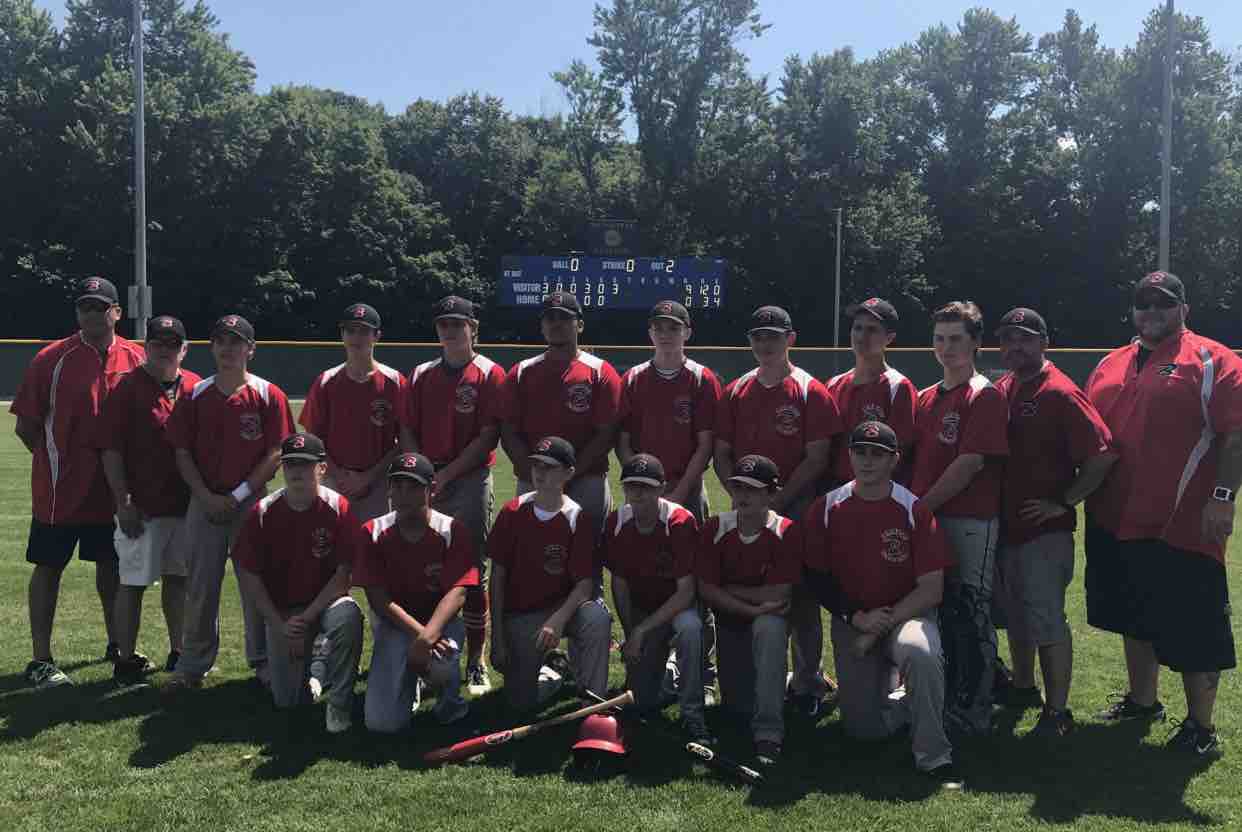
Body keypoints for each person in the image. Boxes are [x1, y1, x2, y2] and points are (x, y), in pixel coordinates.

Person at [1084, 271, 1242, 755]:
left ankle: (1201, 728)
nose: (1152, 311)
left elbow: (1236, 435)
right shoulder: (1110, 363)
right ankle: (1142, 701)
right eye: (1144, 303)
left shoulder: (1213, 359)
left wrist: (1222, 496)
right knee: (1134, 615)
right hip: (1115, 516)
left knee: (1195, 623)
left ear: (1184, 309)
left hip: (1183, 520)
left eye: (1164, 303)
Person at [802, 422, 959, 788]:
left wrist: (877, 628)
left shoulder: (913, 509)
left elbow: (931, 589)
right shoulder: (826, 507)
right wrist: (857, 618)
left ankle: (934, 756)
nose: (868, 461)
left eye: (878, 454)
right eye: (861, 452)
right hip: (854, 620)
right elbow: (817, 579)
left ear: (894, 460)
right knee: (864, 730)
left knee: (920, 652)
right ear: (849, 456)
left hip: (907, 615)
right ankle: (906, 697)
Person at [11, 276, 145, 687]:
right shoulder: (51, 359)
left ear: (116, 312)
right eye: (84, 306)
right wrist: (55, 461)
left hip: (114, 488)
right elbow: (26, 426)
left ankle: (117, 644)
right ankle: (41, 659)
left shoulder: (136, 358)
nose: (91, 313)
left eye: (99, 306)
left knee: (112, 565)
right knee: (49, 566)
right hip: (60, 489)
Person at [993, 307, 1117, 738]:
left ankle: (1057, 711)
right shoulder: (1006, 386)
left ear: (1044, 342)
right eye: (1008, 338)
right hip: (1008, 526)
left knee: (1045, 619)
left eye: (1025, 338)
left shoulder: (1059, 391)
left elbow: (1103, 455)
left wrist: (1063, 502)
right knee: (1017, 615)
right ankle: (1023, 687)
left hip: (1044, 533)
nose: (1015, 346)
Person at [714, 306, 842, 717]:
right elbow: (721, 452)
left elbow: (817, 457)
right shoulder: (736, 390)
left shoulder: (809, 390)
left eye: (773, 335)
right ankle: (751, 680)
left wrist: (777, 501)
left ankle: (806, 683)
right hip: (747, 508)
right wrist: (740, 495)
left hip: (796, 506)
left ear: (791, 339)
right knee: (746, 587)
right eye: (758, 336)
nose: (765, 343)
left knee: (801, 598)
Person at [164, 314, 295, 692]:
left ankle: (263, 661)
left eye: (236, 342)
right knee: (201, 586)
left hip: (250, 502)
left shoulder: (268, 394)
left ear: (250, 349)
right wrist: (205, 496)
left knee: (256, 584)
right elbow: (181, 451)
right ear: (212, 347)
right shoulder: (196, 394)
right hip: (204, 501)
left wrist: (237, 495)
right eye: (221, 341)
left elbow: (276, 452)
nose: (228, 348)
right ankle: (193, 664)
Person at [909, 301, 1009, 735]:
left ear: (975, 343)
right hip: (929, 519)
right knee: (939, 610)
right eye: (939, 339)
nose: (946, 348)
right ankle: (948, 695)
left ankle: (976, 707)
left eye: (955, 339)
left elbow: (969, 463)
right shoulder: (927, 396)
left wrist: (922, 507)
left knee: (971, 611)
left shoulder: (985, 394)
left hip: (969, 521)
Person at [616, 299, 722, 703]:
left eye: (673, 327)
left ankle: (704, 672)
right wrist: (643, 487)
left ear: (687, 333)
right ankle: (643, 651)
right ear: (650, 333)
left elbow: (705, 444)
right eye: (659, 327)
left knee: (696, 583)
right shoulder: (634, 378)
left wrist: (675, 495)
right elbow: (624, 442)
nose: (665, 334)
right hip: (642, 493)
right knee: (640, 572)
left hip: (687, 492)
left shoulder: (701, 378)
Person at [402, 295, 506, 695]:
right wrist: (423, 473)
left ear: (472, 329)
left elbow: (488, 436)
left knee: (472, 569)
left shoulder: (489, 372)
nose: (450, 330)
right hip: (425, 479)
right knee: (423, 566)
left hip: (468, 479)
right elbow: (407, 428)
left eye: (457, 324)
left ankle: (476, 659)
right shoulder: (421, 373)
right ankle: (425, 653)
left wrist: (445, 475)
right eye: (443, 324)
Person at [96, 315, 202, 684]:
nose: (164, 351)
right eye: (157, 344)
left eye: (172, 345)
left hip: (186, 506)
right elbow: (110, 450)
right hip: (143, 507)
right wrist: (123, 501)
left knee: (179, 580)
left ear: (184, 350)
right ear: (146, 347)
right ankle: (125, 658)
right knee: (133, 582)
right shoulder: (126, 387)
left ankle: (179, 651)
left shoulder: (195, 386)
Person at [234, 433, 363, 733]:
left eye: (305, 464)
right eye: (290, 464)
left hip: (325, 605)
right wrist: (280, 624)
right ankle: (319, 666)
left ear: (322, 468)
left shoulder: (339, 507)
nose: (296, 471)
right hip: (284, 613)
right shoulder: (262, 512)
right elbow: (250, 576)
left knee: (348, 615)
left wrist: (305, 620)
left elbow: (344, 575)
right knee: (288, 701)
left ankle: (339, 704)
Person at [356, 452, 478, 732]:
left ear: (431, 489)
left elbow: (458, 592)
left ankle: (449, 704)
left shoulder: (451, 530)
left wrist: (429, 636)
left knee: (443, 662)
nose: (403, 494)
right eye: (397, 485)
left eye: (413, 486)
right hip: (395, 625)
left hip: (441, 624)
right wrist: (420, 635)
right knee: (382, 724)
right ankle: (411, 685)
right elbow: (377, 598)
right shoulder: (372, 531)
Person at [488, 436, 612, 710]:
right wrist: (497, 637)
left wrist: (558, 619)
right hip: (522, 616)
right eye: (536, 465)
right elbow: (497, 578)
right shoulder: (512, 512)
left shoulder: (576, 517)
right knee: (520, 706)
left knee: (597, 618)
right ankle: (555, 672)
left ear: (568, 473)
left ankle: (593, 703)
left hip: (564, 611)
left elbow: (584, 585)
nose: (540, 472)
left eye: (549, 467)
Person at [696, 454, 799, 767]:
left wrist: (728, 590)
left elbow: (778, 595)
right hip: (731, 622)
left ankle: (769, 732)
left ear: (771, 494)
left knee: (770, 626)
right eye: (738, 487)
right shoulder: (716, 527)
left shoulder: (785, 530)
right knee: (738, 708)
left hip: (766, 621)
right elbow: (706, 589)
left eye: (753, 489)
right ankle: (780, 682)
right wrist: (749, 607)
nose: (743, 495)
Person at [500, 292, 622, 546]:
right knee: (529, 552)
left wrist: (567, 475)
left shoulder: (601, 371)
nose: (556, 324)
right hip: (534, 478)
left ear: (580, 324)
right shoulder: (521, 372)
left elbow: (606, 434)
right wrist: (536, 474)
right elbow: (508, 431)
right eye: (550, 318)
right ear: (542, 326)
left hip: (587, 478)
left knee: (588, 555)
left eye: (564, 318)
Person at [604, 453, 710, 742]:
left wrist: (641, 630)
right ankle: (669, 670)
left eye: (647, 486)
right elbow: (619, 583)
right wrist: (630, 631)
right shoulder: (617, 521)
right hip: (642, 609)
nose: (638, 493)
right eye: (631, 485)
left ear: (662, 488)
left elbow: (686, 592)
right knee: (642, 702)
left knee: (690, 628)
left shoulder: (680, 521)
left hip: (677, 608)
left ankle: (693, 715)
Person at [299, 302, 404, 522]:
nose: (357, 337)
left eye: (364, 331)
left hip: (379, 483)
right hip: (333, 480)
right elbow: (313, 439)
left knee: (375, 541)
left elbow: (405, 439)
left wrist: (369, 476)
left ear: (377, 336)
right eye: (351, 330)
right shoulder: (326, 381)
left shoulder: (395, 382)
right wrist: (339, 476)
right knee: (330, 541)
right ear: (342, 335)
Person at [823, 298, 917, 486]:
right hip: (833, 489)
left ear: (889, 338)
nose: (862, 336)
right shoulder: (834, 384)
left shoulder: (898, 386)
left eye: (872, 330)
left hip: (876, 490)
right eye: (857, 328)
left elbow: (901, 452)